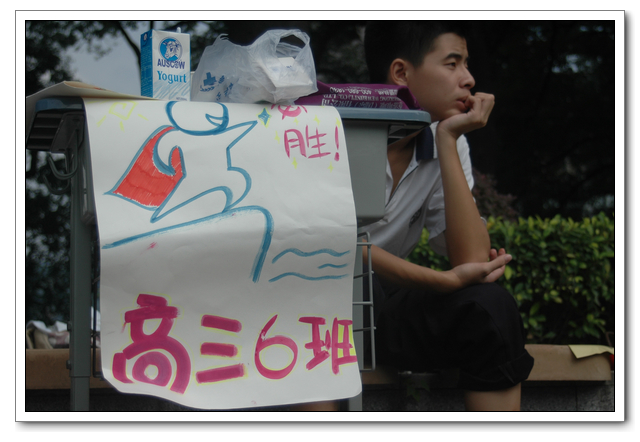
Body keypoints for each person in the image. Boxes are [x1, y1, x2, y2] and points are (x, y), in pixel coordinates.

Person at [360, 21, 534, 411]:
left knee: (489, 307)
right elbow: (340, 246)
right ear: (401, 73)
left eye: (466, 64)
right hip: (313, 302)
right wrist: (443, 281)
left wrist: (448, 139)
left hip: (380, 314)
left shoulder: (446, 142)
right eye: (452, 64)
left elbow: (471, 260)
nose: (469, 79)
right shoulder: (331, 131)